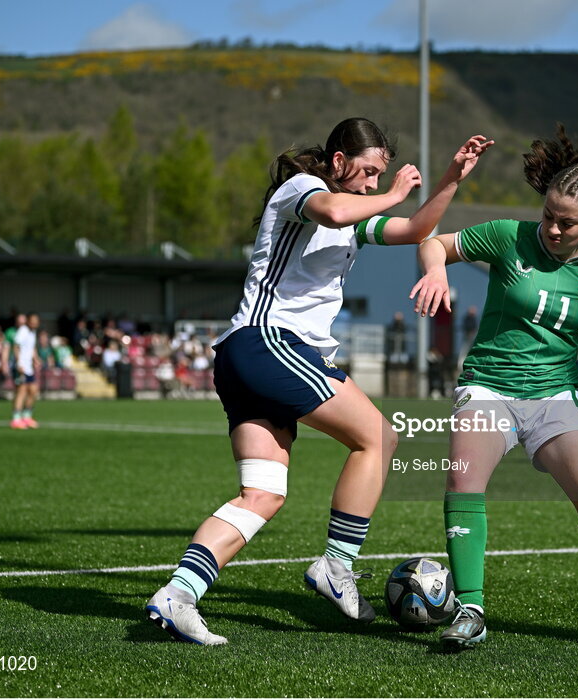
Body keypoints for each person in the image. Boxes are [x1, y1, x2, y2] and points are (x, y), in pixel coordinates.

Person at [145, 117, 492, 645]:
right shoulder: (303, 190)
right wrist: (397, 191)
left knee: (262, 493)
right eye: (370, 172)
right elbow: (335, 209)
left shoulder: (353, 215)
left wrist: (450, 178)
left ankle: (177, 595)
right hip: (270, 344)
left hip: (247, 357)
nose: (375, 184)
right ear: (338, 162)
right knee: (378, 436)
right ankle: (336, 564)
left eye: (382, 177)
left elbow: (416, 231)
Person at [410, 125, 578, 656]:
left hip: (555, 397)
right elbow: (432, 242)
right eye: (549, 217)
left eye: (569, 223)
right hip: (488, 386)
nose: (554, 230)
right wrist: (437, 271)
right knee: (464, 484)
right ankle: (471, 610)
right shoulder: (506, 236)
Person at [4, 313, 41, 429]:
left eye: (37, 320)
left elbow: (32, 347)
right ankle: (16, 419)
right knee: (22, 391)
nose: (35, 323)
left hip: (29, 367)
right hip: (21, 366)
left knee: (33, 390)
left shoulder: (33, 332)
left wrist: (36, 358)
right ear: (28, 321)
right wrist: (19, 363)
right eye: (33, 320)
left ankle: (26, 416)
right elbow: (16, 346)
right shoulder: (23, 331)